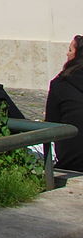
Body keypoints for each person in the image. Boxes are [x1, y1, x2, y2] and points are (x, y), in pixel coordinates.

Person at [46, 35, 83, 170]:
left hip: (72, 163)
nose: (67, 54)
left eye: (70, 50)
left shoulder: (61, 84)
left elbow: (51, 125)